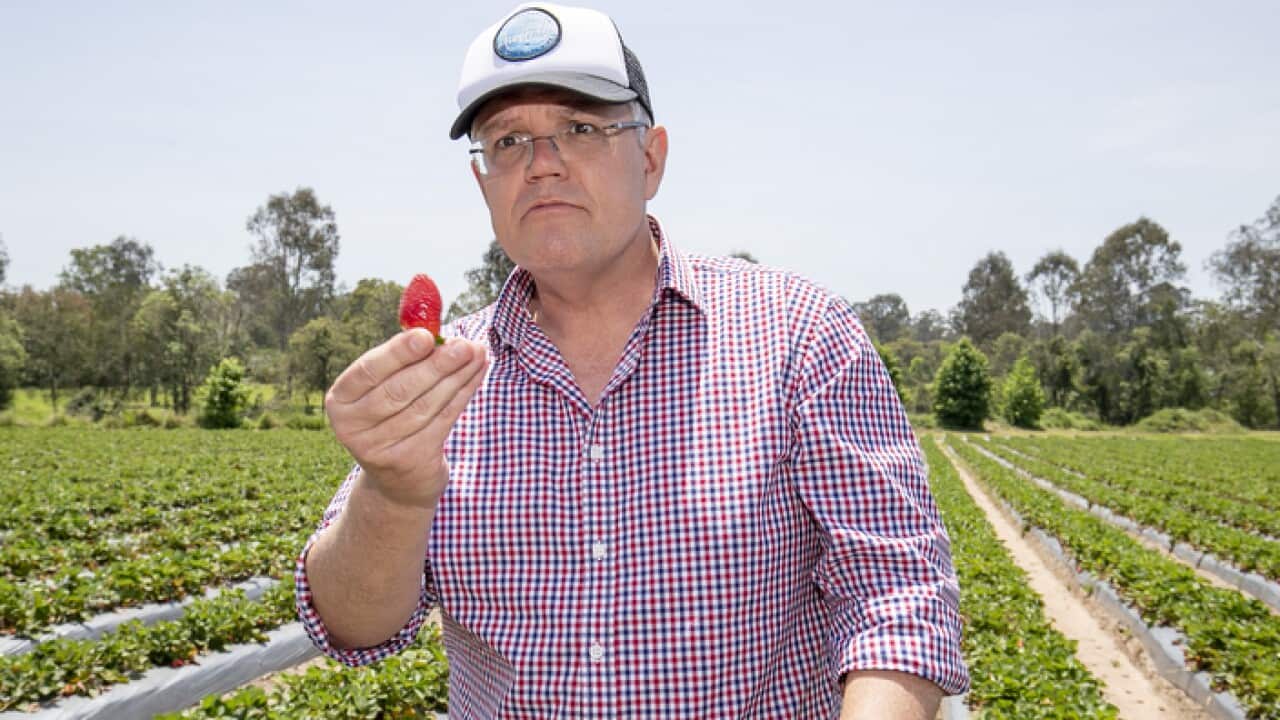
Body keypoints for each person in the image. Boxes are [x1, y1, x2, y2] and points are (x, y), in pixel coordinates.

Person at [296, 3, 968, 717]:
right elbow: (351, 627)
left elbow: (895, 593)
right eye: (507, 140)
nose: (541, 164)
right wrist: (393, 492)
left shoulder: (800, 334)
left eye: (580, 129)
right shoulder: (443, 377)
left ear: (651, 159)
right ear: (484, 182)